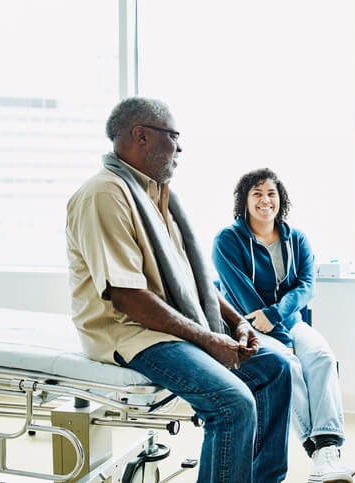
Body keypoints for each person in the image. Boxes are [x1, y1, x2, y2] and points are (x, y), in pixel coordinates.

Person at [65, 97, 292, 483]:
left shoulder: (160, 198)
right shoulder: (105, 195)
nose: (180, 147)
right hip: (131, 333)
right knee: (232, 404)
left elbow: (193, 281)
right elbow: (127, 296)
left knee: (276, 367)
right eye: (173, 136)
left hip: (169, 325)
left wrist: (238, 324)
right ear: (141, 136)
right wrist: (207, 339)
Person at [212, 168, 354, 483]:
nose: (265, 200)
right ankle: (314, 446)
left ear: (281, 199)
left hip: (290, 322)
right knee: (288, 366)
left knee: (321, 357)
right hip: (246, 328)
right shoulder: (227, 240)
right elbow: (242, 298)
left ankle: (327, 450)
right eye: (257, 194)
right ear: (244, 200)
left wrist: (277, 316)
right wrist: (277, 333)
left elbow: (306, 286)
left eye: (271, 193)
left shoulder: (296, 238)